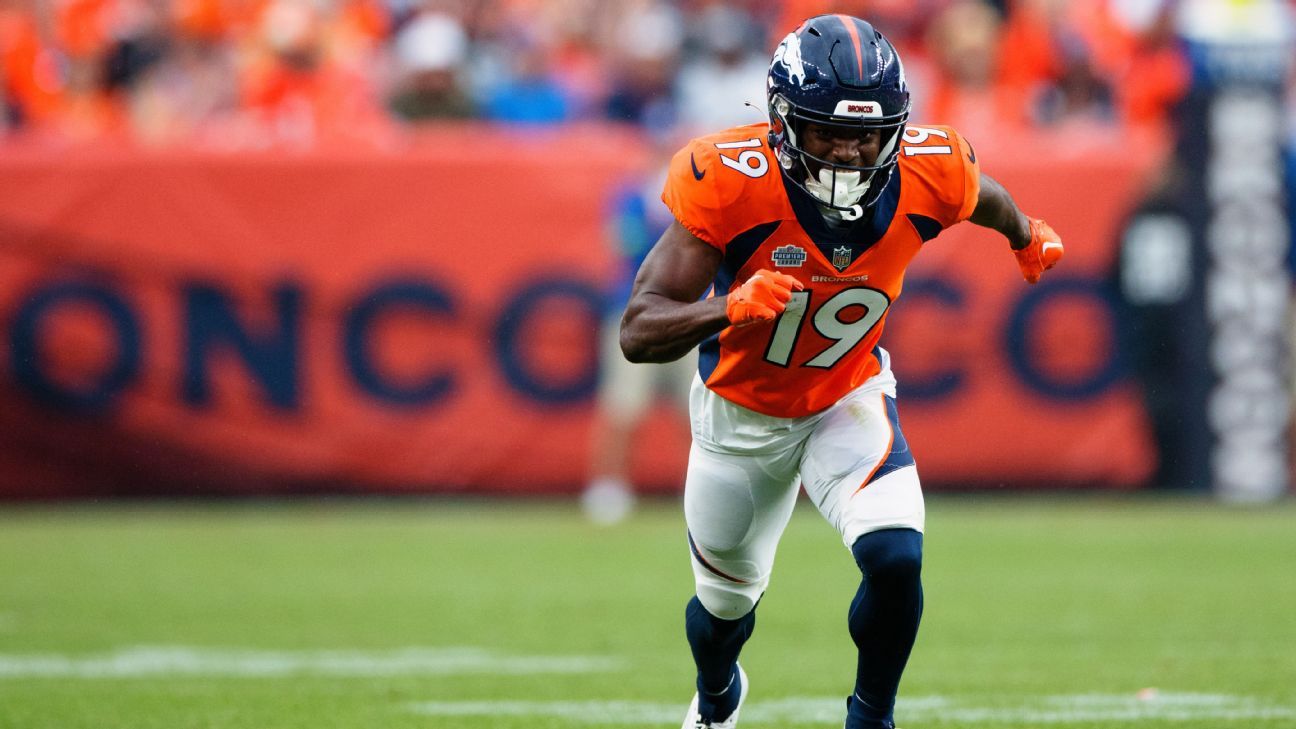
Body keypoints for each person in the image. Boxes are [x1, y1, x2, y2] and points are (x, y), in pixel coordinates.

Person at [618, 15, 1064, 729]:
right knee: (724, 610)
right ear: (782, 120)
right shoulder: (728, 179)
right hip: (741, 418)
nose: (850, 152)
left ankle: (872, 717)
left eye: (867, 133)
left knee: (894, 556)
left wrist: (1026, 234)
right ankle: (716, 692)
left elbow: (986, 196)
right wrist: (729, 307)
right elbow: (638, 330)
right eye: (828, 131)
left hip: (845, 393)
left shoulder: (930, 164)